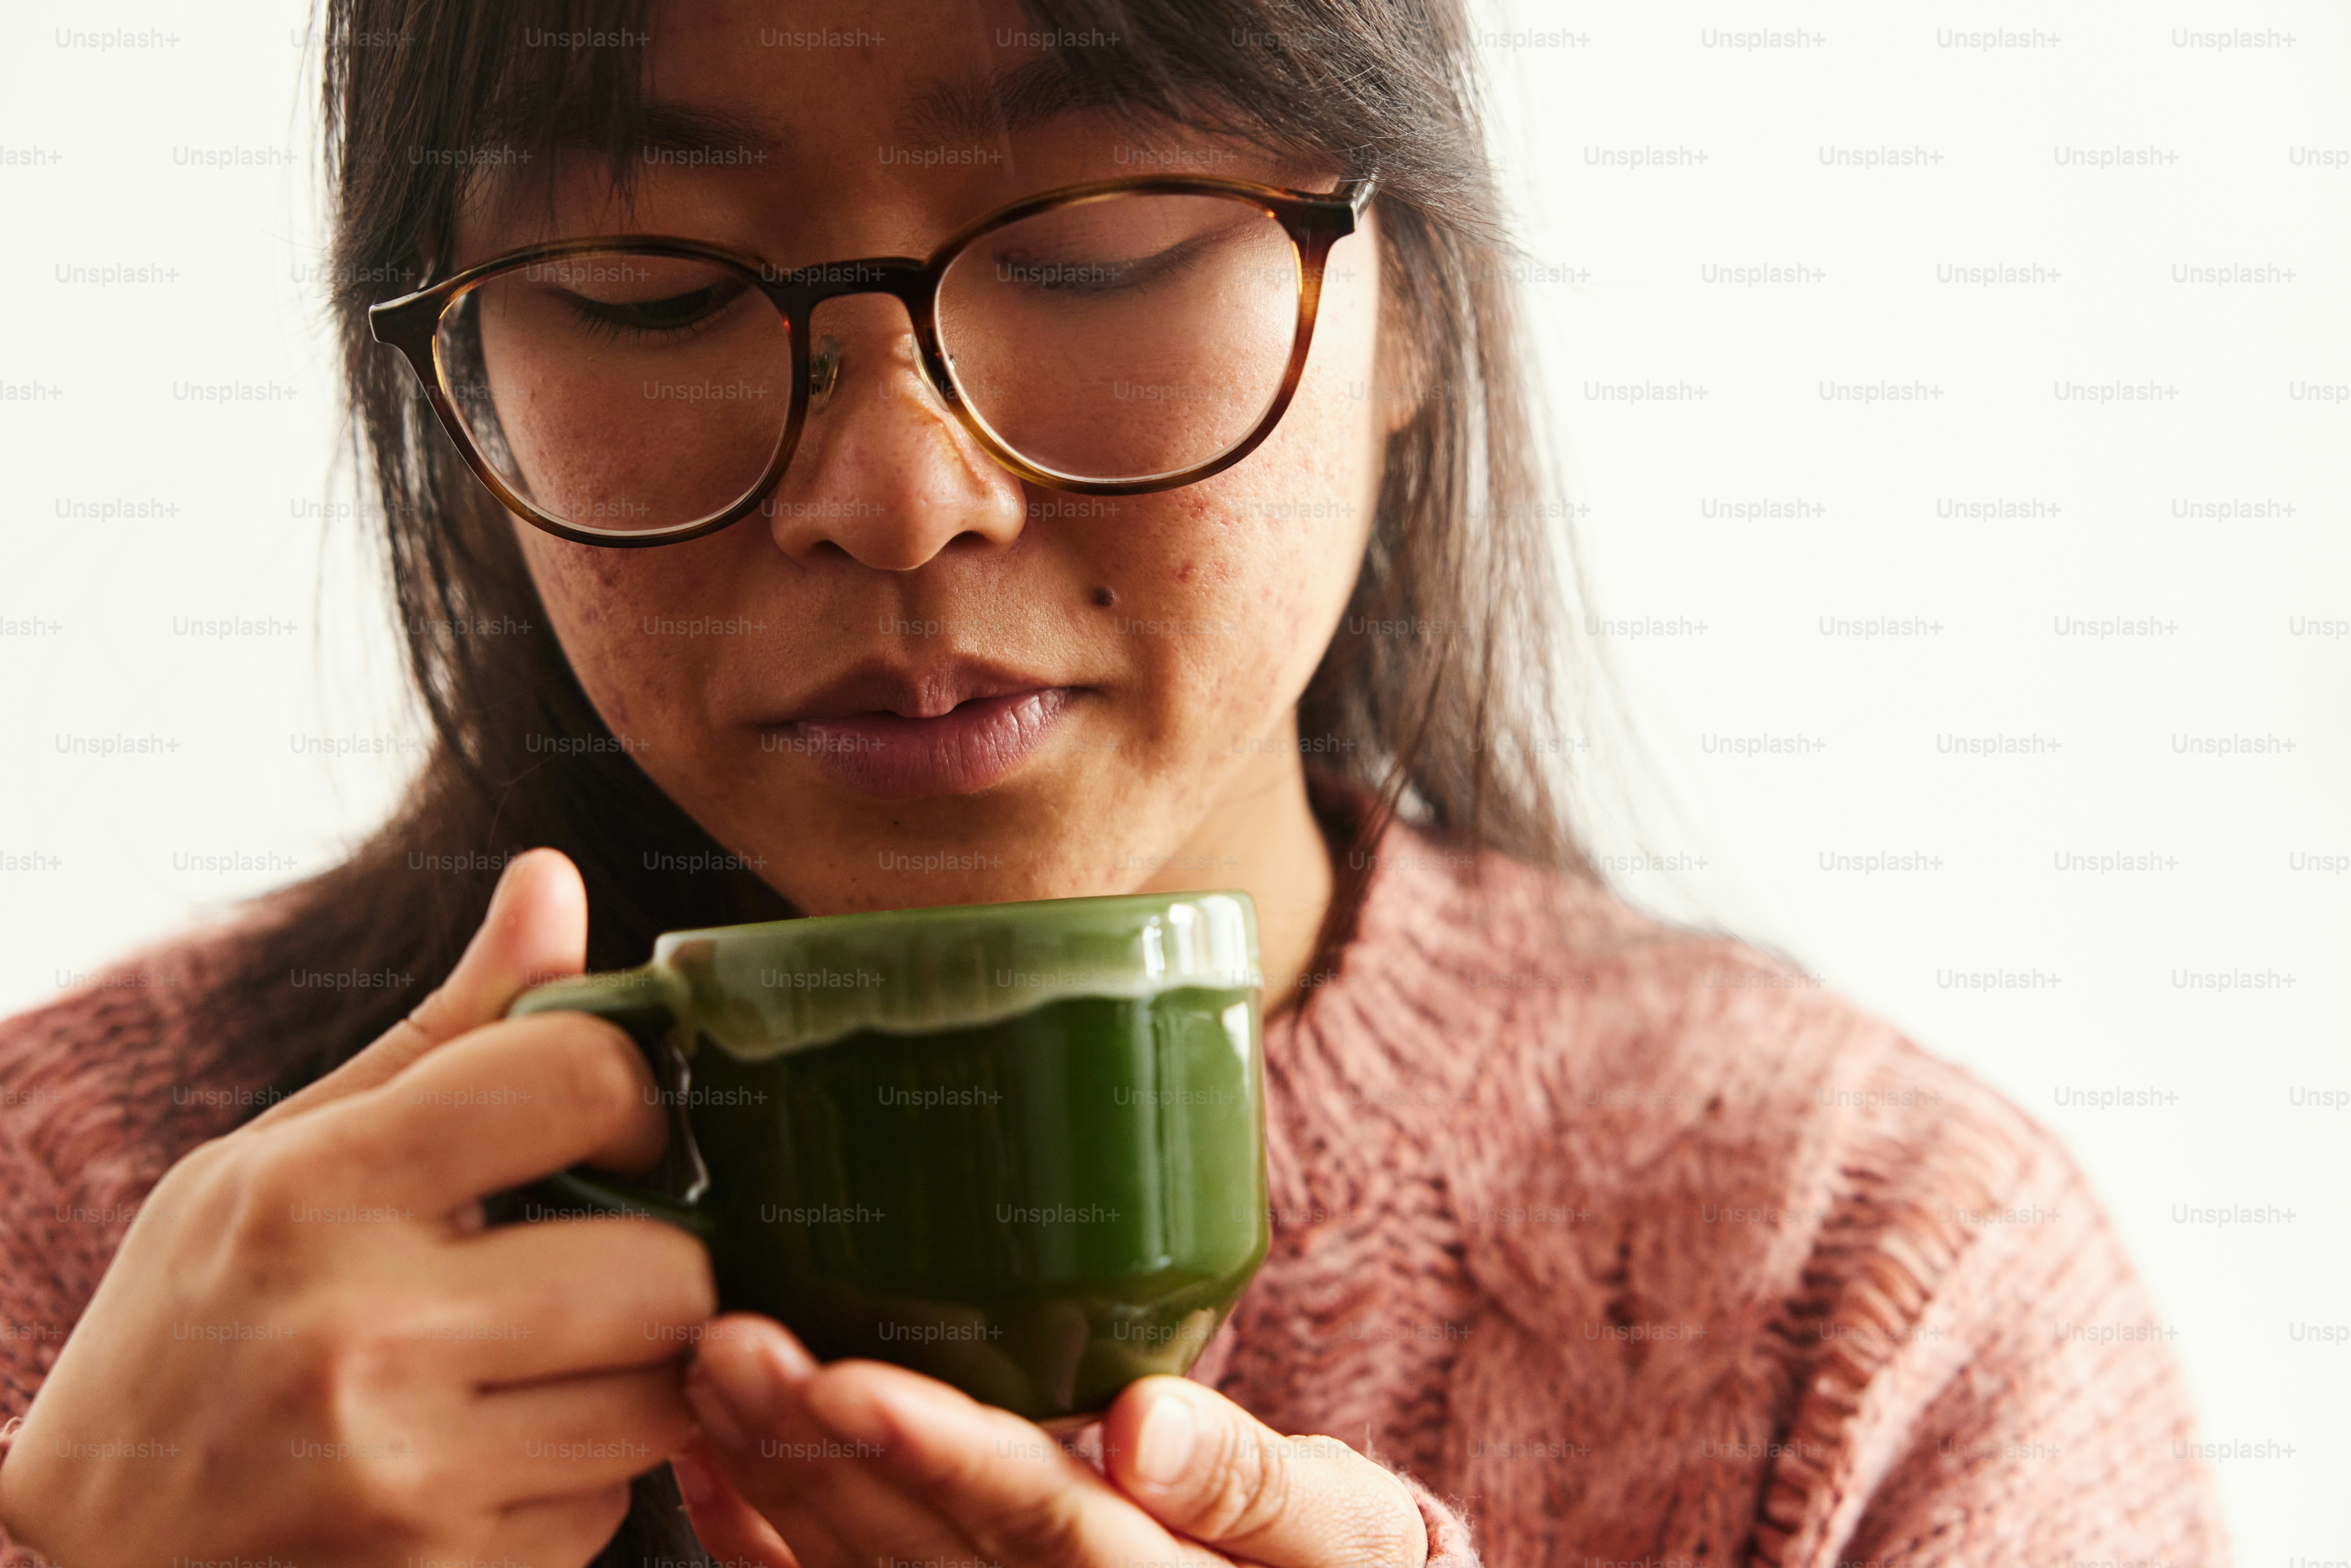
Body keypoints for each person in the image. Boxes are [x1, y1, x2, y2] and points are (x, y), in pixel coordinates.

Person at [0, 2, 2227, 1564]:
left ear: (1414, 294)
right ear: (453, 365)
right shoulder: (76, 1234)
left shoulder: (1871, 1300)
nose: (897, 493)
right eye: (648, 289)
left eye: (1099, 243)